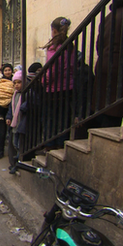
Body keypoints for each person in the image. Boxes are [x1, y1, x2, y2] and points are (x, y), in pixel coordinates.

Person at [93, 0, 123, 127]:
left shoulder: (108, 18)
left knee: (105, 105)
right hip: (120, 66)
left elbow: (99, 44)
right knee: (115, 108)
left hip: (104, 64)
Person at [41, 17, 75, 150]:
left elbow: (52, 68)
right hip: (68, 86)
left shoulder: (54, 47)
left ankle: (50, 144)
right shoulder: (69, 45)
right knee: (63, 117)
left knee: (50, 118)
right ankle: (61, 143)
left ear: (53, 30)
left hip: (54, 89)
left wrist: (44, 81)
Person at [6, 71, 25, 173]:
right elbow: (11, 108)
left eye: (19, 82)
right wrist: (8, 117)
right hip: (14, 125)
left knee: (19, 145)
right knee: (14, 143)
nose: (17, 85)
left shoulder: (26, 94)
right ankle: (14, 164)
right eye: (15, 83)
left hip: (21, 125)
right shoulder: (15, 95)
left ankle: (17, 165)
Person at [0, 63, 13, 160]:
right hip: (2, 111)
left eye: (9, 70)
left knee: (11, 133)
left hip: (13, 111)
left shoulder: (15, 81)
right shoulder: (0, 82)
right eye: (5, 70)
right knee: (2, 133)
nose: (7, 72)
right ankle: (1, 151)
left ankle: (12, 153)